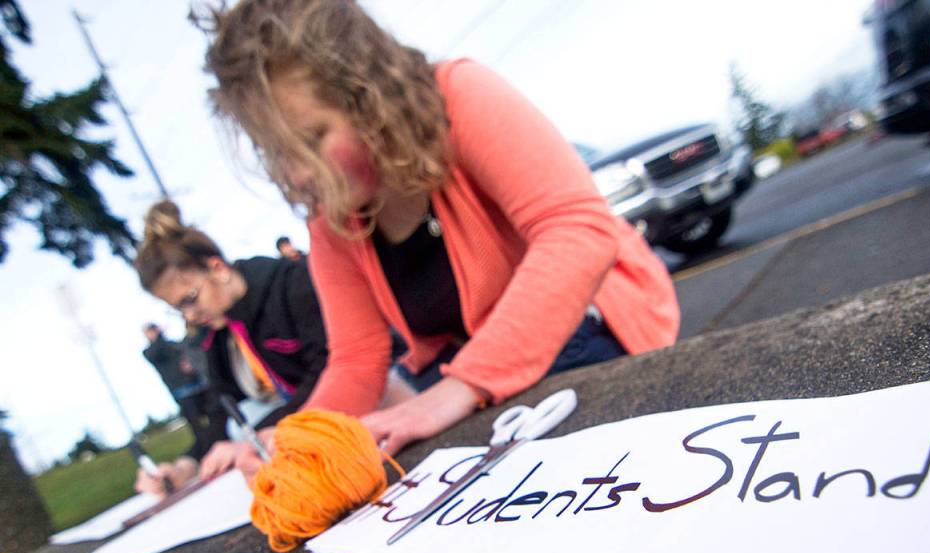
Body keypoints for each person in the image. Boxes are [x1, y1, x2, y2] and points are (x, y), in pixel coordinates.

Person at [202, 0, 680, 463]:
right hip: (463, 372)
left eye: (312, 139)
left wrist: (463, 387)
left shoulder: (458, 95)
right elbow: (356, 358)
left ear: (367, 95)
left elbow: (575, 230)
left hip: (578, 331)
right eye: (278, 153)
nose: (300, 174)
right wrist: (299, 446)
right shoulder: (332, 210)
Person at [133, 200, 331, 494]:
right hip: (293, 428)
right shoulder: (215, 335)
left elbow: (328, 369)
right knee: (238, 423)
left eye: (190, 299)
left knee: (244, 428)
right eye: (178, 310)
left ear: (216, 267)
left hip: (339, 406)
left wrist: (254, 438)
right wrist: (186, 466)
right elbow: (220, 409)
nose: (190, 316)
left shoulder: (288, 283)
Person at [141, 323, 216, 461]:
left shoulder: (173, 344)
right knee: (197, 427)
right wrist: (159, 336)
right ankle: (206, 452)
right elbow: (158, 351)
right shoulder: (150, 351)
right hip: (183, 393)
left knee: (215, 417)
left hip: (198, 387)